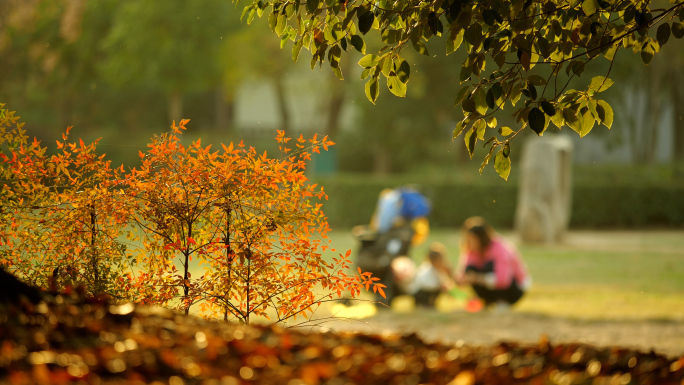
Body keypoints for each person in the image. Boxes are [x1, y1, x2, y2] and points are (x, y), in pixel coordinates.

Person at [455, 217, 531, 311]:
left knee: (489, 266)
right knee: (470, 270)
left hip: (515, 288)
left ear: (481, 238)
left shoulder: (499, 248)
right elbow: (462, 275)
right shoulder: (472, 251)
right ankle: (488, 301)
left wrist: (477, 278)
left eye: (472, 239)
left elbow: (504, 280)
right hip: (493, 283)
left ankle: (503, 301)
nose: (469, 242)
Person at [392, 242, 455, 308]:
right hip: (419, 291)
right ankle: (425, 304)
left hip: (422, 290)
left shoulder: (436, 270)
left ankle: (429, 304)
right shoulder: (428, 270)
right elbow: (429, 285)